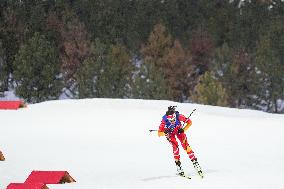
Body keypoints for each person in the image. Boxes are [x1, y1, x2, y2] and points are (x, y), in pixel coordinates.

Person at [158, 106, 203, 177]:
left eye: (173, 119)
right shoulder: (164, 121)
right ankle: (179, 166)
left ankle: (195, 163)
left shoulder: (179, 116)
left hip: (179, 131)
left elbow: (190, 122)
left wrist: (183, 129)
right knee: (175, 147)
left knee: (185, 145)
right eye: (170, 120)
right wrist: (165, 132)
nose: (172, 121)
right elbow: (159, 133)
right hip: (170, 134)